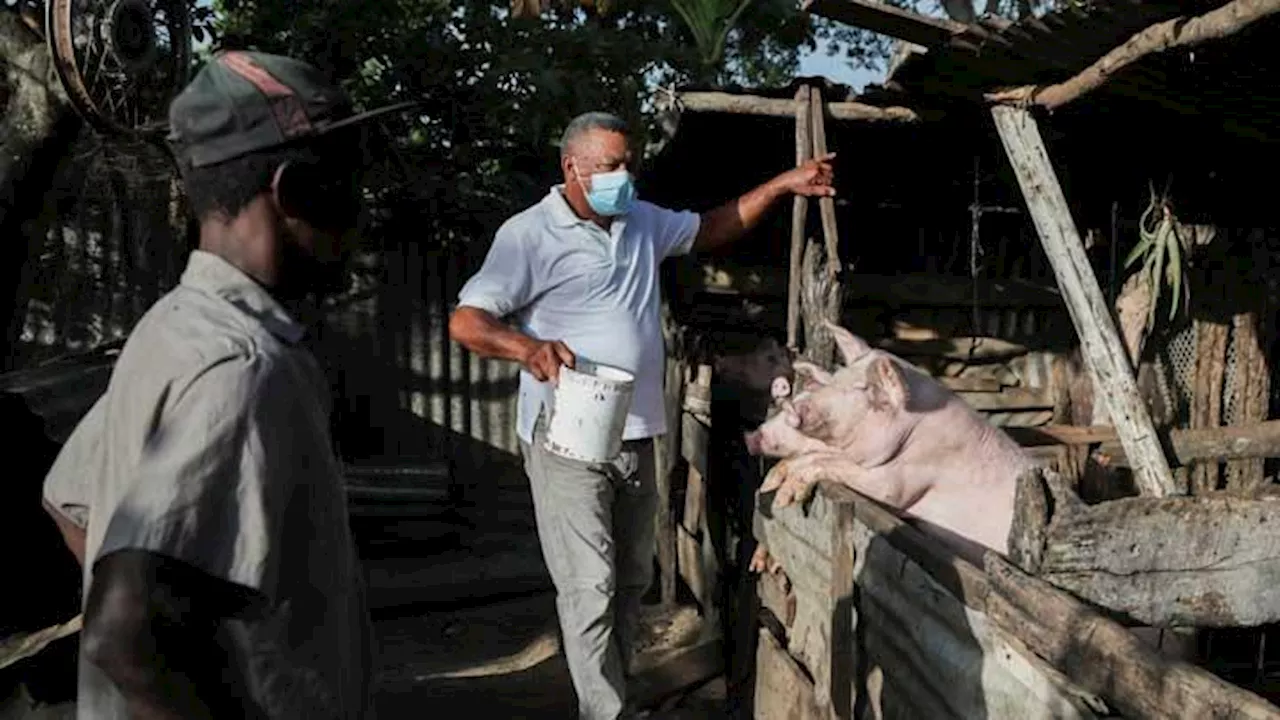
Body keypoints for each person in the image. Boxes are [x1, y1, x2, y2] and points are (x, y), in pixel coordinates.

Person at [41, 50, 412, 720]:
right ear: (296, 190)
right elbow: (125, 633)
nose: (360, 220)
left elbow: (72, 503)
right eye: (349, 186)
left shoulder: (173, 330)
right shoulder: (243, 368)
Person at [448, 111, 835, 719]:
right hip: (565, 438)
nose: (624, 176)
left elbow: (712, 227)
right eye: (610, 166)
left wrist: (782, 185)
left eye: (629, 163)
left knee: (630, 579)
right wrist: (528, 348)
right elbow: (465, 321)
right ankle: (603, 711)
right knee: (590, 586)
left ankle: (612, 689)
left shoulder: (641, 221)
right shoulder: (528, 235)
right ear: (571, 168)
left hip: (635, 432)